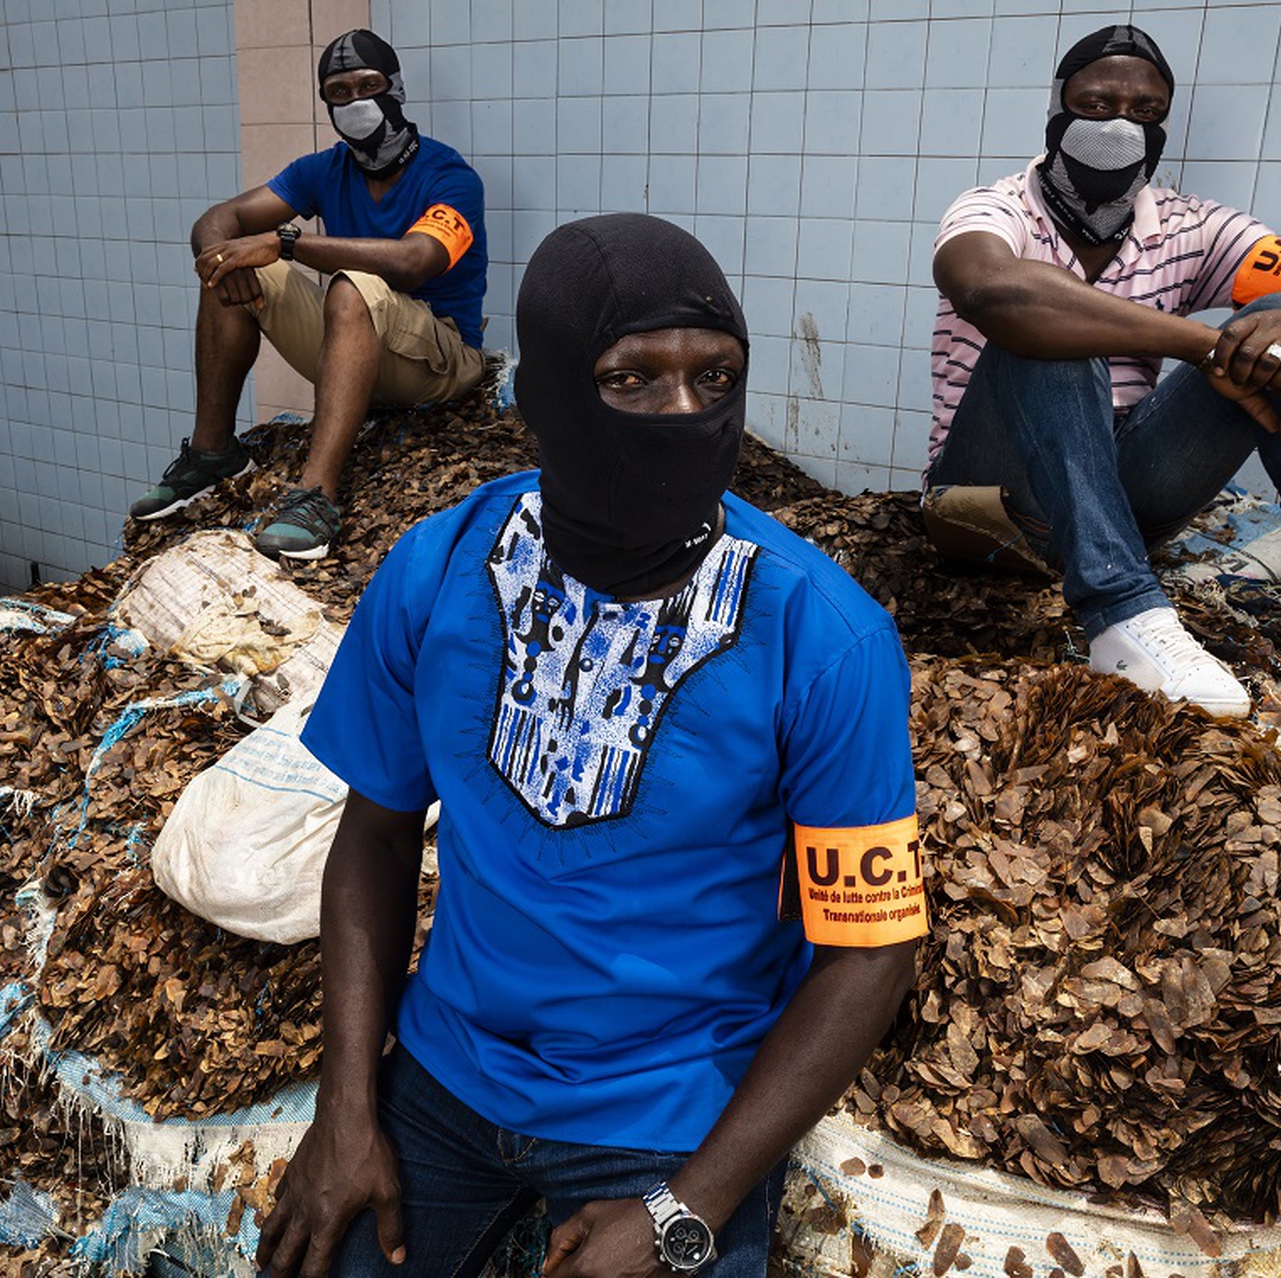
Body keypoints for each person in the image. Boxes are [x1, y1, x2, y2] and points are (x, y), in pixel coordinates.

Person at [255, 215, 925, 1277]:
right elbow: (376, 833)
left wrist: (684, 1210)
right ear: (551, 392)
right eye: (631, 380)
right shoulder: (439, 570)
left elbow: (872, 949)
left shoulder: (824, 635)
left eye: (716, 378)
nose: (684, 412)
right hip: (448, 1067)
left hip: (672, 1100)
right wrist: (347, 1111)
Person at [925, 24, 1281, 749]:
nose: (1119, 124)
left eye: (1144, 112)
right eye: (1096, 104)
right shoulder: (995, 208)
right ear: (1058, 112)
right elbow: (986, 287)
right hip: (990, 503)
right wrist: (1206, 345)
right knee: (1047, 323)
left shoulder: (1190, 226)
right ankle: (1124, 619)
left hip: (1119, 498)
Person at [130, 29, 488, 561]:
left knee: (351, 286)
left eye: (368, 84)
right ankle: (213, 453)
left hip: (444, 358)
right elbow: (217, 219)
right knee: (227, 262)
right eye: (339, 92)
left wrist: (286, 241)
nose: (355, 101)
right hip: (363, 342)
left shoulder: (449, 174)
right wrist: (218, 255)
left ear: (397, 88)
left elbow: (417, 262)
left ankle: (316, 496)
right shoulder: (323, 169)